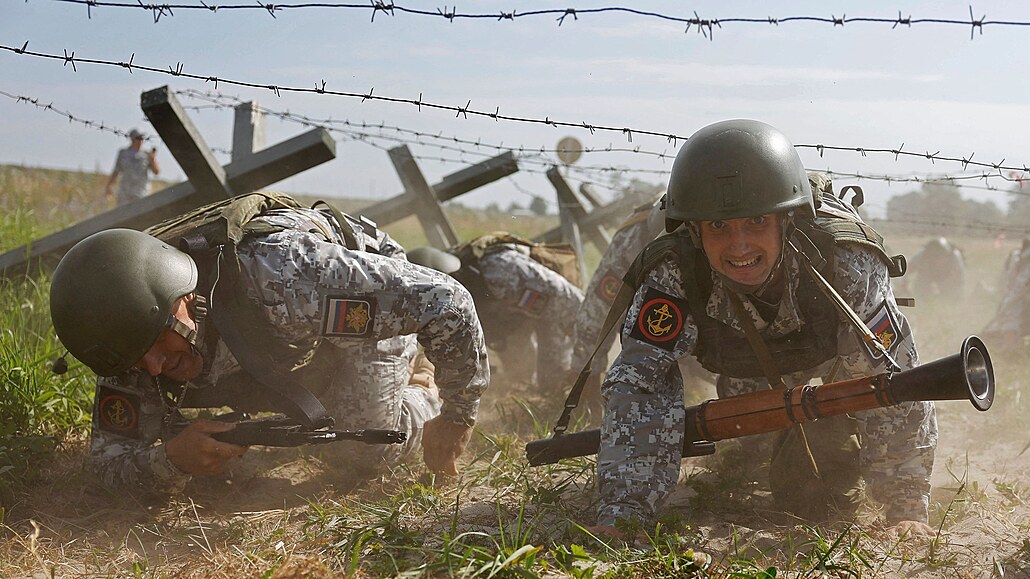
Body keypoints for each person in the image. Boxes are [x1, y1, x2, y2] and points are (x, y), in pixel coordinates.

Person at [591, 120, 937, 538]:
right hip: (744, 370)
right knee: (754, 449)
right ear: (696, 231)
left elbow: (892, 380)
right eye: (719, 226)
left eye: (755, 221)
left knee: (850, 418)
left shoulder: (845, 260)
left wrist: (905, 508)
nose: (739, 246)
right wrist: (624, 510)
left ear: (785, 221)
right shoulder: (674, 269)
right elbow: (638, 384)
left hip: (837, 365)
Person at [49, 192, 489, 494]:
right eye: (134, 358)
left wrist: (456, 412)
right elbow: (109, 466)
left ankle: (419, 383)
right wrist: (173, 460)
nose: (153, 368)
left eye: (157, 343)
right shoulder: (124, 332)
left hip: (365, 296)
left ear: (183, 299)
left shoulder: (284, 276)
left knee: (361, 451)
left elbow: (447, 300)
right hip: (293, 339)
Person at [406, 233, 584, 392]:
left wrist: (581, 361)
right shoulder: (443, 297)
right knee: (517, 379)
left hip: (556, 310)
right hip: (511, 321)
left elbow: (565, 303)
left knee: (552, 385)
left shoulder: (501, 272)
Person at [104, 128, 160, 205]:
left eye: (142, 138)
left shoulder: (147, 155)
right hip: (125, 192)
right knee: (123, 214)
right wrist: (109, 186)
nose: (140, 140)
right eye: (138, 138)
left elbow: (156, 172)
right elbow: (116, 171)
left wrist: (153, 159)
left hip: (141, 192)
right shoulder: (123, 153)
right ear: (132, 139)